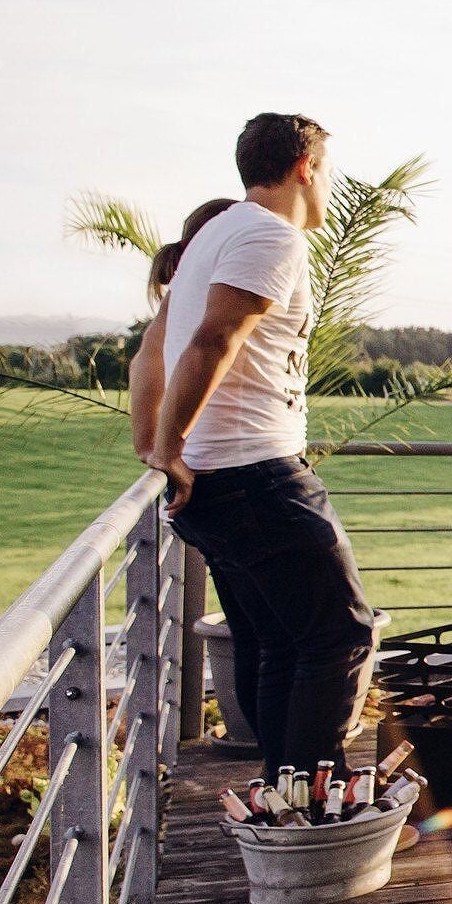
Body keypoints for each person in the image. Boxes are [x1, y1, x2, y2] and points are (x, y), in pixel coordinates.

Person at [141, 119, 378, 779]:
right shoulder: (272, 235)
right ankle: (314, 807)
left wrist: (157, 445)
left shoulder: (214, 234)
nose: (328, 185)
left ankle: (285, 794)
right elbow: (213, 339)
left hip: (226, 477)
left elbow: (150, 352)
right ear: (305, 167)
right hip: (254, 473)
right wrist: (166, 448)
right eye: (327, 170)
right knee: (340, 636)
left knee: (282, 642)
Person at [129, 197, 238, 462]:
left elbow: (145, 358)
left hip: (195, 454)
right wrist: (156, 449)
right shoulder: (231, 291)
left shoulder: (177, 296)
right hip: (230, 455)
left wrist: (147, 446)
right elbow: (208, 346)